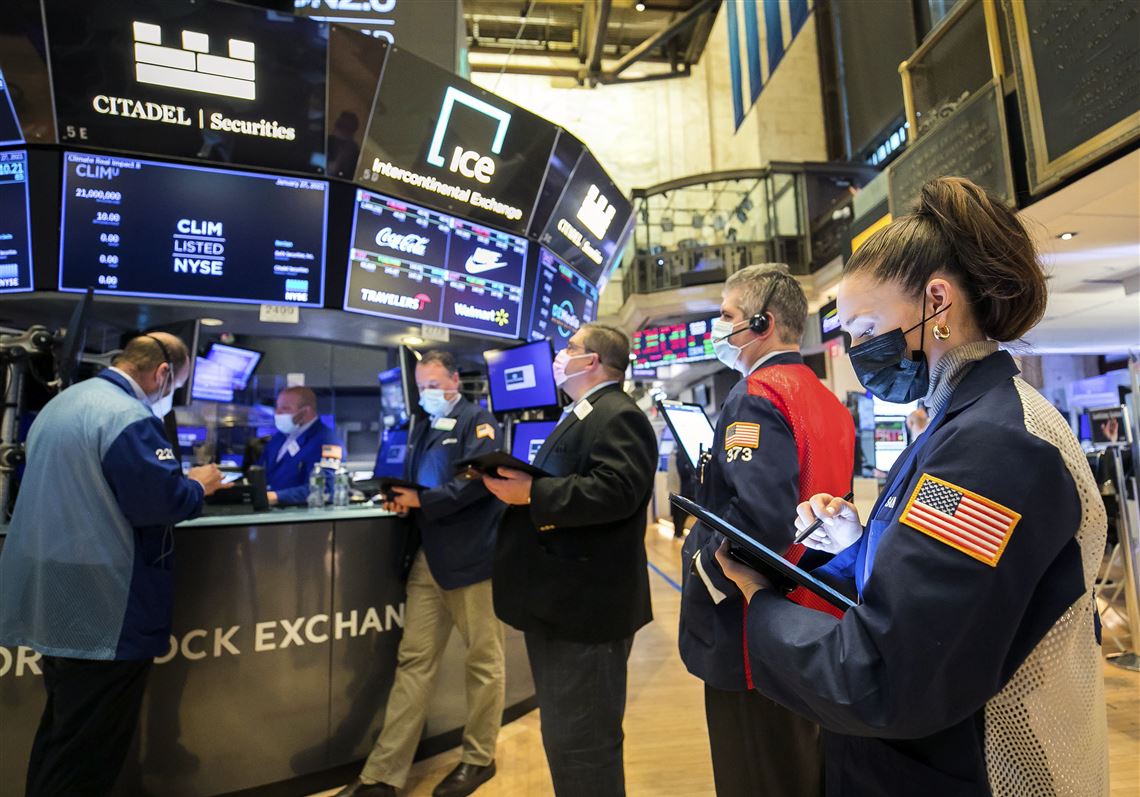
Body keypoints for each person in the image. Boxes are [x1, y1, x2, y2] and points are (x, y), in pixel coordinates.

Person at [715, 177, 1109, 794]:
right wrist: (858, 545)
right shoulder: (958, 423)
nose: (857, 350)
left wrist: (758, 604)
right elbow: (943, 587)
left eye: (866, 327)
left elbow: (888, 672)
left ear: (937, 301)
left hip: (986, 768)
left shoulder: (995, 444)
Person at [0, 333, 225, 797]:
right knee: (89, 754)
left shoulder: (62, 405)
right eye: (176, 385)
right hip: (106, 606)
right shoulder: (129, 417)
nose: (171, 395)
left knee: (62, 736)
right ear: (162, 373)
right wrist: (198, 485)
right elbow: (159, 504)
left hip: (59, 594)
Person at [678, 265, 855, 797]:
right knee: (801, 768)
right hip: (815, 617)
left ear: (763, 322)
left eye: (728, 315)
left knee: (756, 774)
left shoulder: (756, 394)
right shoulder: (827, 400)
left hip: (756, 628)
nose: (719, 327)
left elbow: (758, 520)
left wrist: (702, 564)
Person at [483, 323, 657, 797]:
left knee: (583, 746)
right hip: (563, 606)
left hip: (587, 612)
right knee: (567, 741)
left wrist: (532, 493)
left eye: (570, 348)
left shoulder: (619, 414)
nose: (561, 356)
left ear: (592, 360)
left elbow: (617, 491)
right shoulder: (585, 412)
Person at [337, 351, 507, 797]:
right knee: (414, 663)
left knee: (483, 662)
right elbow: (419, 480)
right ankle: (383, 774)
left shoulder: (478, 421)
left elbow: (478, 480)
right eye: (421, 386)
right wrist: (400, 497)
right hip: (428, 558)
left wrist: (423, 501)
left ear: (454, 380)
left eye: (433, 384)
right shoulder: (424, 426)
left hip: (472, 560)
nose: (427, 393)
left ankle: (478, 758)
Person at [258, 386, 341, 506]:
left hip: (302, 512)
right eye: (277, 408)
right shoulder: (279, 437)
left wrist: (277, 496)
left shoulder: (327, 440)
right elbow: (262, 472)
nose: (277, 413)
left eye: (285, 409)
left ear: (306, 412)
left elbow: (325, 488)